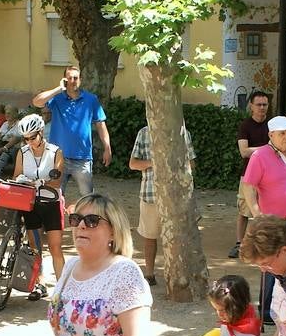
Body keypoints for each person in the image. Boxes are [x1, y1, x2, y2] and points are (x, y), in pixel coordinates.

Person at [48, 193, 153, 336]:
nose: (81, 225)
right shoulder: (70, 266)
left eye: (92, 220)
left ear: (113, 231)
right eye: (76, 219)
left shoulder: (124, 273)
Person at [241, 114, 286, 320]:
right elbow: (248, 187)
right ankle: (266, 311)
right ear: (271, 134)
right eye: (282, 133)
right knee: (271, 266)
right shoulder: (260, 156)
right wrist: (258, 215)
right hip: (275, 223)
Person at [128, 120, 196, 287]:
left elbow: (191, 164)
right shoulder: (144, 132)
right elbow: (133, 164)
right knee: (149, 236)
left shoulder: (182, 132)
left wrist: (175, 166)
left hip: (175, 196)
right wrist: (156, 163)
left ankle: (175, 275)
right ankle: (149, 274)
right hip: (150, 194)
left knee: (175, 238)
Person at [11, 113, 68, 299]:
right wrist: (22, 181)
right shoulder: (22, 152)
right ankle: (39, 284)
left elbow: (57, 180)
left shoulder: (55, 152)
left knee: (55, 247)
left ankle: (61, 289)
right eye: (25, 138)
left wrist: (40, 182)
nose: (29, 142)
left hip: (51, 203)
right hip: (30, 204)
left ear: (41, 132)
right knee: (35, 247)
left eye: (33, 137)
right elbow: (16, 176)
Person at [33, 65, 111, 198]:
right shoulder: (57, 99)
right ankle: (56, 220)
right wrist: (58, 89)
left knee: (87, 198)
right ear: (65, 80)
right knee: (53, 196)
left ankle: (86, 219)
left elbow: (100, 124)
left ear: (80, 79)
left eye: (75, 78)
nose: (73, 80)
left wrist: (107, 148)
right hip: (58, 157)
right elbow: (37, 102)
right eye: (69, 78)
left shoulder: (91, 99)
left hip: (83, 158)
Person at [231, 90, 270, 259]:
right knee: (244, 210)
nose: (262, 108)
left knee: (266, 210)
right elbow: (244, 151)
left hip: (269, 176)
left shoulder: (272, 125)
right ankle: (239, 244)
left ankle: (263, 243)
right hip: (248, 176)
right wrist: (268, 148)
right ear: (251, 106)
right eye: (258, 104)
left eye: (265, 104)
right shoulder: (245, 125)